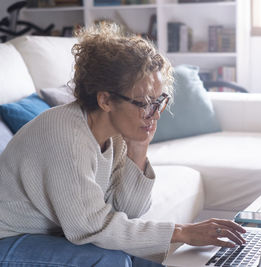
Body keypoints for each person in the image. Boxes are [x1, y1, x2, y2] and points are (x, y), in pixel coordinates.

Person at [0, 23, 246, 266]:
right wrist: (182, 232)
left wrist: (138, 148)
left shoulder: (114, 134)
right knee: (114, 262)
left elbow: (128, 210)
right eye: (145, 103)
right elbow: (93, 227)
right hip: (8, 239)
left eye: (159, 101)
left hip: (51, 236)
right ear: (105, 100)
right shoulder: (66, 137)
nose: (155, 114)